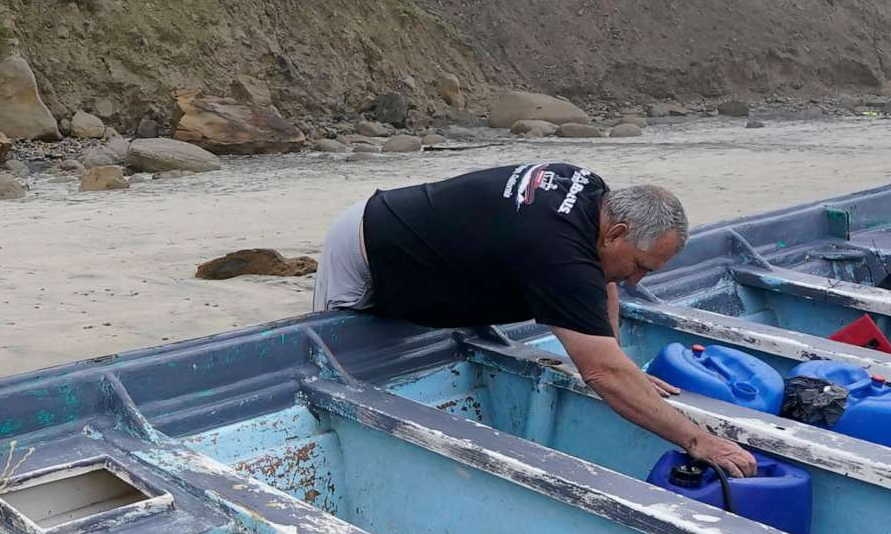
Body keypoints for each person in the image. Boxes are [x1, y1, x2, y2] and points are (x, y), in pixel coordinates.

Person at [315, 163, 757, 477]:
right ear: (617, 233)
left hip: (411, 231)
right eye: (641, 264)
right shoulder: (557, 252)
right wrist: (698, 440)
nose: (636, 279)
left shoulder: (592, 195)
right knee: (338, 367)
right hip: (363, 249)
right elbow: (600, 371)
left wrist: (618, 356)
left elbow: (602, 285)